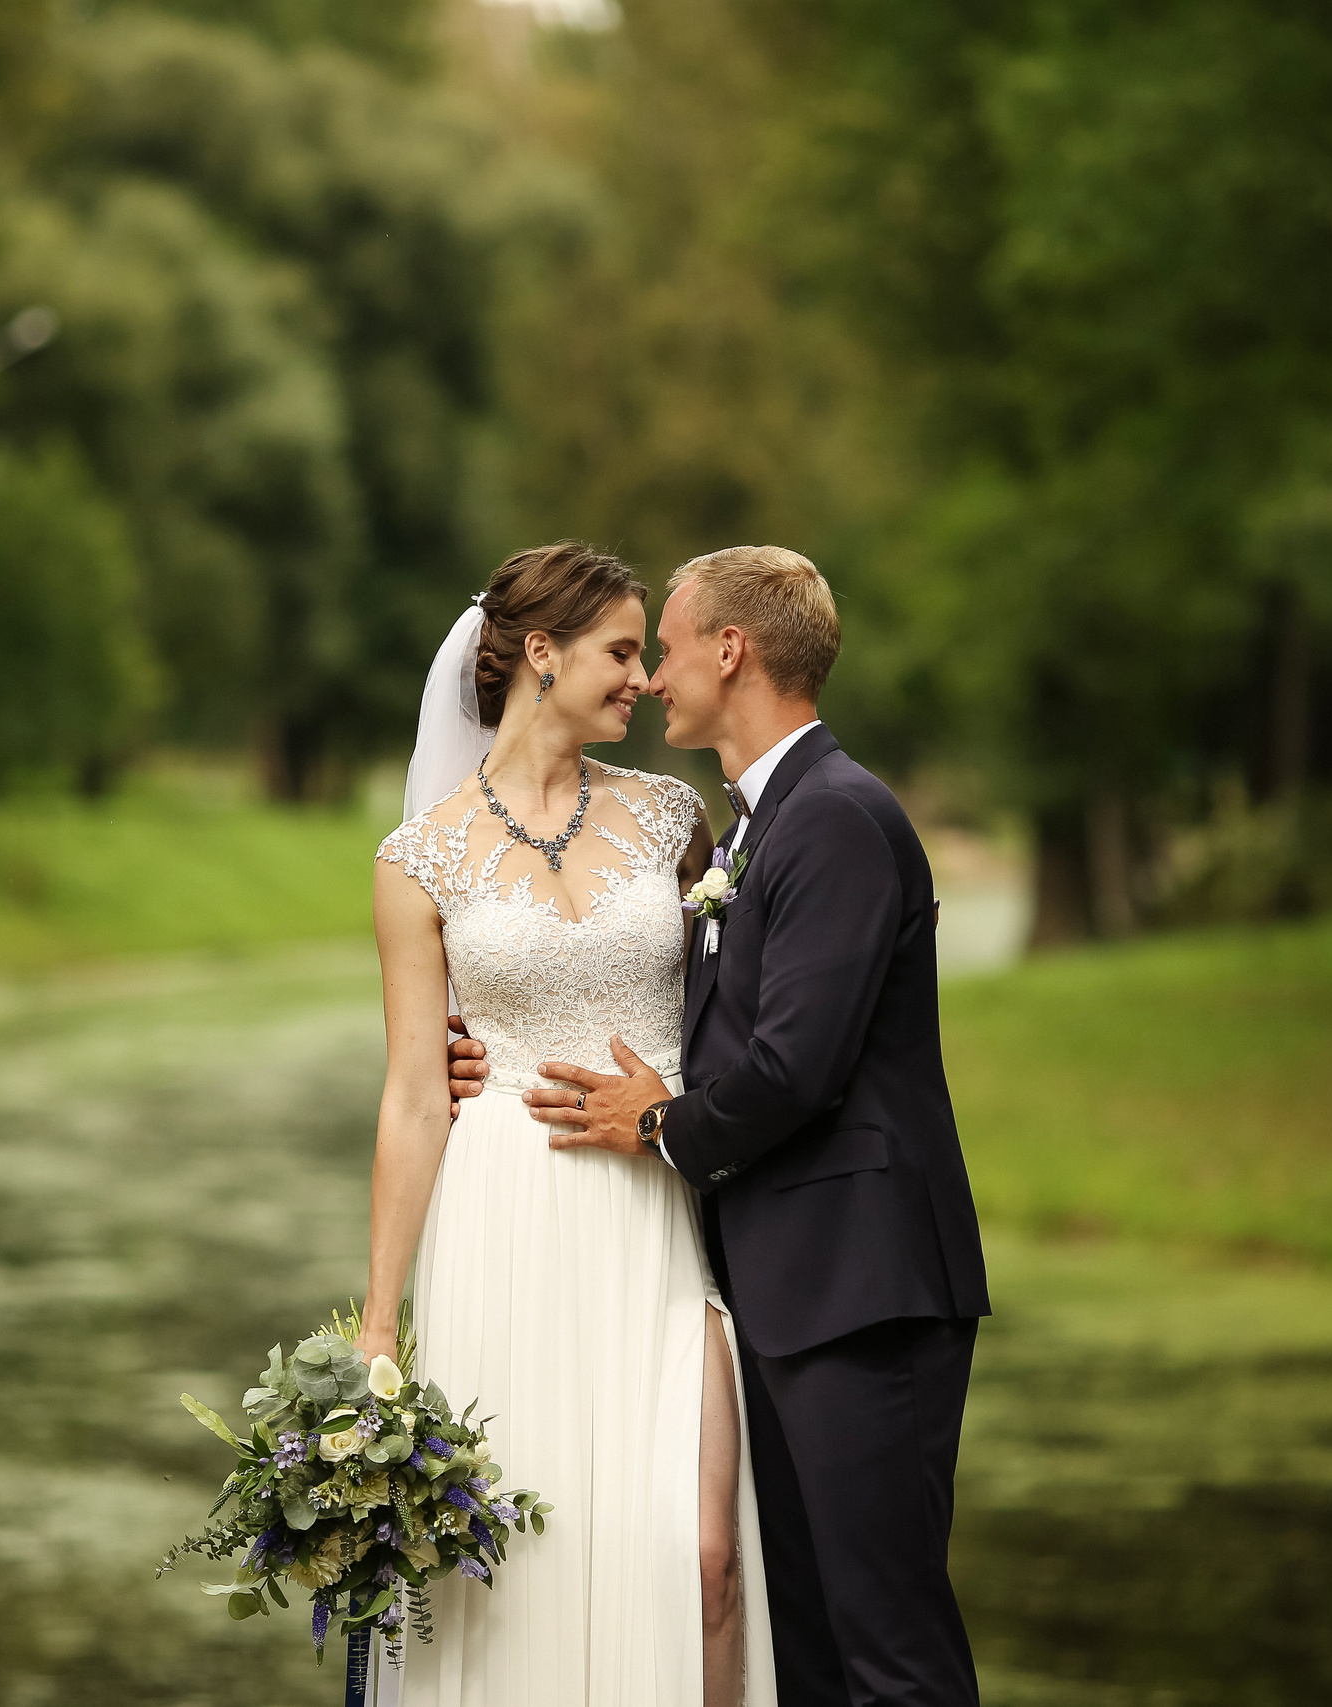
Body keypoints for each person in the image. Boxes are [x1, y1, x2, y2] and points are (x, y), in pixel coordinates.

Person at [456, 546, 993, 1706]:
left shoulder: (841, 818)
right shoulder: (753, 828)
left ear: (731, 651)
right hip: (783, 1290)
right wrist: (482, 1057)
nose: (651, 678)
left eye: (668, 648)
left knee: (890, 1650)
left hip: (866, 1288)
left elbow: (797, 1064)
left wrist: (658, 1120)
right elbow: (697, 1012)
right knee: (804, 1647)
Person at [363, 541, 778, 1705]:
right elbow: (408, 1093)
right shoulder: (417, 860)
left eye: (647, 653)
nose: (644, 679)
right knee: (513, 1578)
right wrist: (382, 1324)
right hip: (500, 1219)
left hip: (651, 1215)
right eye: (620, 652)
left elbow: (736, 1009)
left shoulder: (672, 820)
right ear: (539, 655)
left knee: (700, 1557)